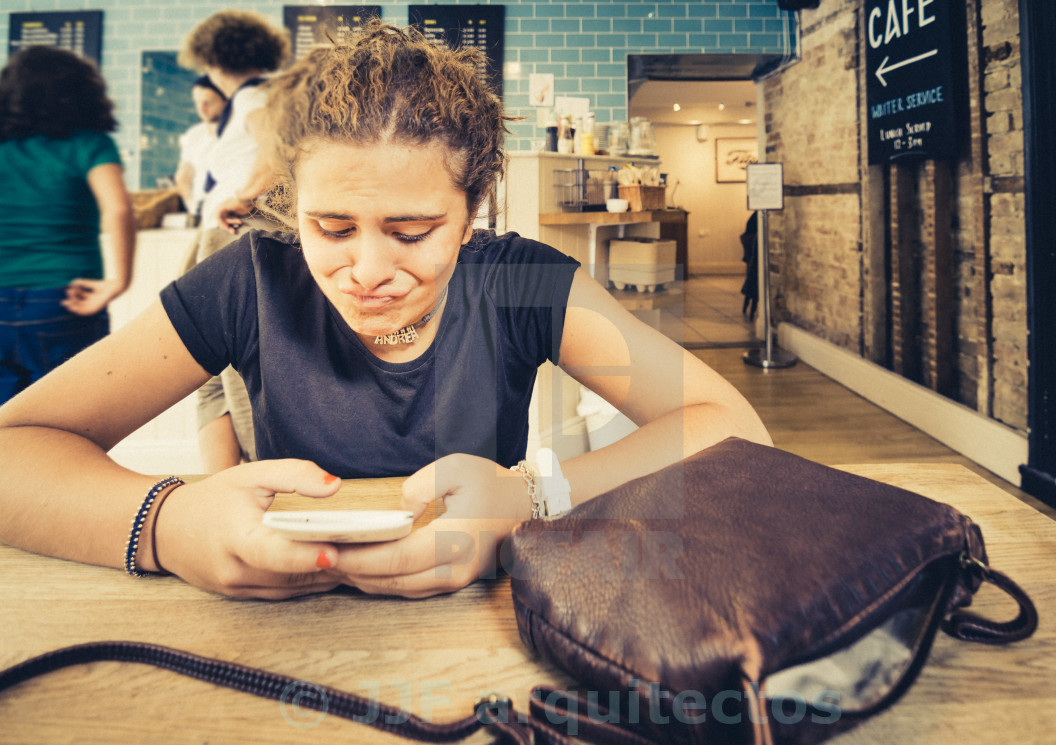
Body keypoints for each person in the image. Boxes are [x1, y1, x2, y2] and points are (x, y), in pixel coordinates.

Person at [0, 22, 772, 600]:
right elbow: (15, 453)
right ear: (291, 206)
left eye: (412, 231)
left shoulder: (521, 284)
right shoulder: (250, 281)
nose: (367, 272)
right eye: (330, 228)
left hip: (485, 629)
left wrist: (530, 497)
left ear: (473, 211)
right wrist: (168, 525)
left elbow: (732, 425)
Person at [176, 10, 290, 471]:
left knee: (235, 364)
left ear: (211, 57)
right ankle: (224, 482)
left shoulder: (252, 98)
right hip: (218, 234)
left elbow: (275, 153)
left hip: (234, 234)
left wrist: (242, 197)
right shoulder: (253, 98)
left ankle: (260, 478)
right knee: (209, 368)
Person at [0, 46, 136, 405]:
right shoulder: (90, 145)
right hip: (64, 301)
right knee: (66, 425)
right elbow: (119, 209)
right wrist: (119, 281)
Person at [173, 75, 226, 221]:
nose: (202, 109)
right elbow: (183, 176)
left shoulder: (240, 132)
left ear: (225, 99)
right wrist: (193, 206)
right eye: (197, 103)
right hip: (204, 212)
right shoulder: (194, 135)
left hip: (235, 210)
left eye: (207, 103)